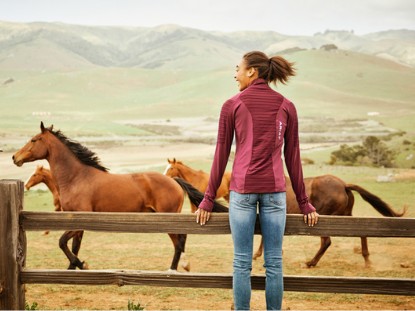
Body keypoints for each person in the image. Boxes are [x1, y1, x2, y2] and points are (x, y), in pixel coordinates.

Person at [195, 51, 319, 310]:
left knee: (241, 262)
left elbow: (221, 154)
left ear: (252, 71)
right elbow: (293, 158)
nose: (235, 74)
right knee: (274, 261)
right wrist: (304, 202)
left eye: (238, 68)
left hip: (241, 192)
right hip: (275, 192)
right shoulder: (286, 105)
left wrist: (208, 199)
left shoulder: (232, 104)